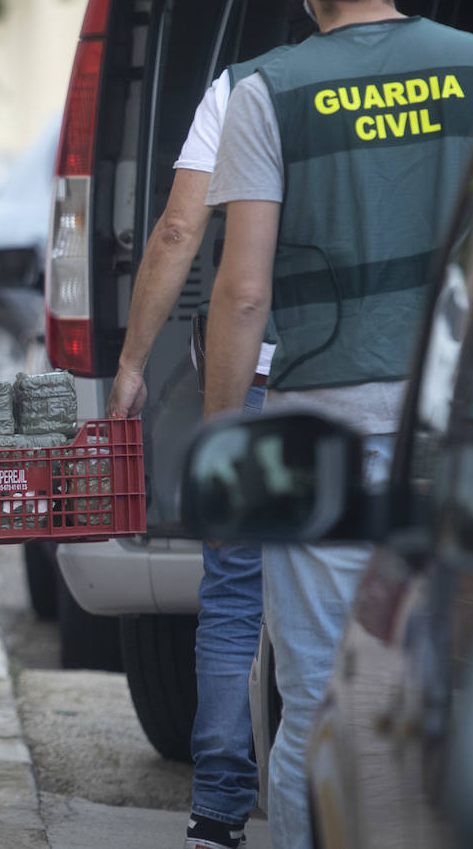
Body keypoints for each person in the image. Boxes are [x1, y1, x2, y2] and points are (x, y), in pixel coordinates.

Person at [200, 0, 473, 848]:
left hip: (318, 423)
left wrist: (221, 445)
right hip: (459, 421)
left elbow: (243, 290)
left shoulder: (265, 92)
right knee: (459, 685)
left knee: (320, 697)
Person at [107, 45, 297, 849]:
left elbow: (182, 228)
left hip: (258, 382)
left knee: (233, 586)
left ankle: (218, 806)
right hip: (389, 384)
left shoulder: (243, 86)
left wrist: (131, 363)